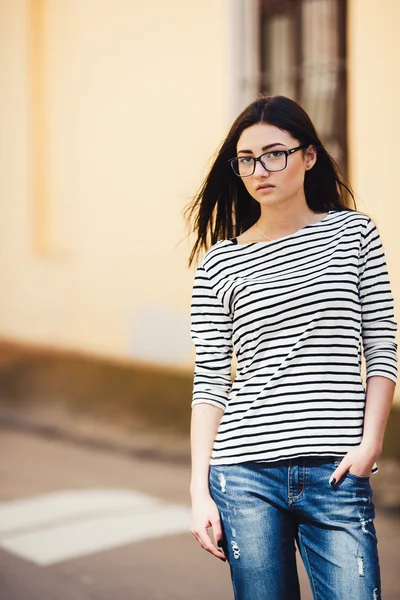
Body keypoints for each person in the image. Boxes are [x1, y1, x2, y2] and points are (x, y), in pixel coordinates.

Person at [185, 95, 397, 600]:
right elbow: (212, 382)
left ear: (308, 156)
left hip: (336, 470)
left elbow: (383, 346)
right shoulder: (220, 263)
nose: (261, 168)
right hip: (244, 476)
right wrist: (199, 489)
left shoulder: (355, 234)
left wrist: (371, 443)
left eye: (275, 153)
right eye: (247, 159)